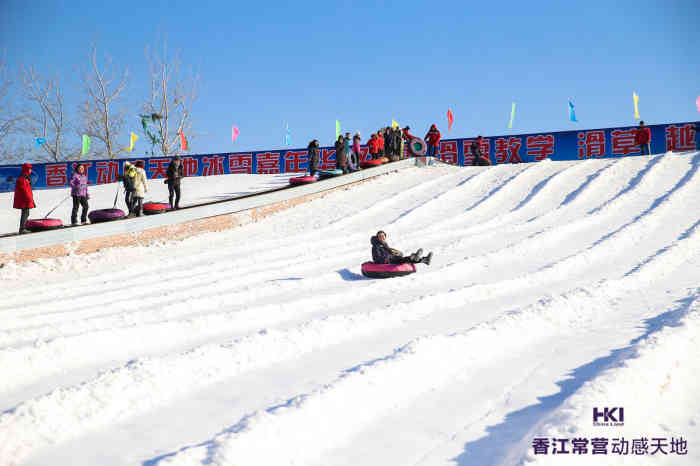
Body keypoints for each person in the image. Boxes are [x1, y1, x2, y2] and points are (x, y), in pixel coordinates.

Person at [13, 163, 35, 234]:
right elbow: (24, 191)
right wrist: (29, 199)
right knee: (25, 213)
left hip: (25, 199)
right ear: (27, 169)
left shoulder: (25, 178)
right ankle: (22, 228)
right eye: (30, 169)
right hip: (24, 200)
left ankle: (23, 227)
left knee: (26, 213)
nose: (31, 170)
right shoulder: (22, 179)